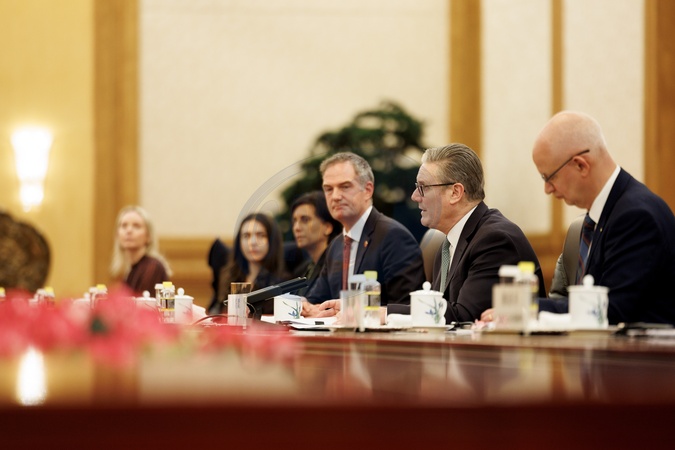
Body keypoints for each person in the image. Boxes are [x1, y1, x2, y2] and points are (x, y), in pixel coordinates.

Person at [529, 111, 675, 324]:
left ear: (581, 165)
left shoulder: (636, 217)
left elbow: (609, 310)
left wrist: (526, 307)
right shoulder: (605, 215)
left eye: (549, 177)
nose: (547, 189)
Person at [387, 144, 546, 323]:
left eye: (423, 187)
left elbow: (464, 317)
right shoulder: (446, 246)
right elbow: (441, 312)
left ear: (455, 192)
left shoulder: (495, 240)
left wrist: (385, 313)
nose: (415, 196)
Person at [302, 152, 426, 316]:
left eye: (345, 187)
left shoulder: (393, 237)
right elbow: (317, 300)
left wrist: (355, 310)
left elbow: (405, 308)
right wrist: (306, 306)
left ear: (367, 190)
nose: (336, 196)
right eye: (328, 189)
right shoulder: (337, 244)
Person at [208, 212, 289, 315]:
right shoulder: (228, 276)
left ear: (272, 241)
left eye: (261, 235)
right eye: (246, 236)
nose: (253, 242)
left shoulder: (284, 282)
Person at [110, 205, 171, 296]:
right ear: (117, 235)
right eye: (124, 226)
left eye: (136, 226)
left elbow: (142, 304)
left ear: (148, 236)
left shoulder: (153, 267)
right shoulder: (131, 270)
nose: (129, 230)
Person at [290, 191, 341, 296]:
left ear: (327, 227)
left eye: (305, 220)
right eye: (294, 221)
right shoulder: (303, 269)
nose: (296, 228)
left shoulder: (338, 267)